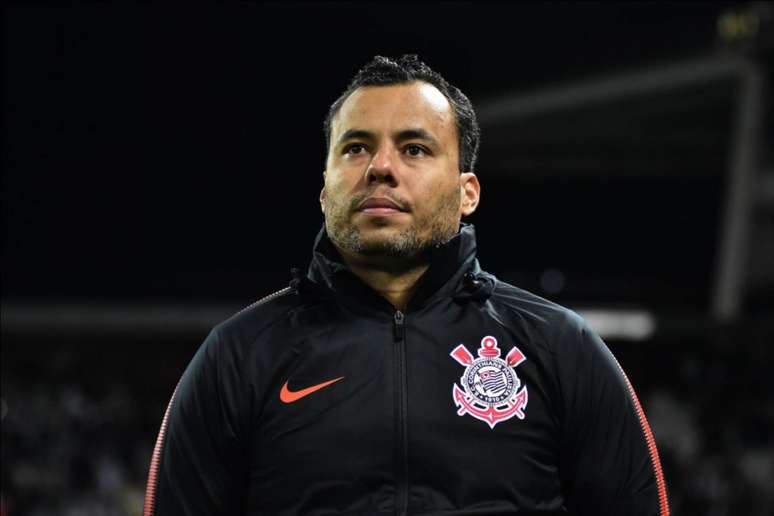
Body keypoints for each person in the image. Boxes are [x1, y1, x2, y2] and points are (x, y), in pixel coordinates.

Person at [143, 55, 669, 516]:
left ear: (468, 192)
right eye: (354, 149)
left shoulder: (559, 347)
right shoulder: (239, 356)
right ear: (324, 193)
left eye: (414, 148)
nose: (380, 168)